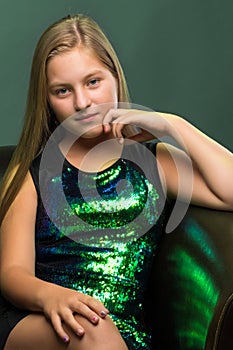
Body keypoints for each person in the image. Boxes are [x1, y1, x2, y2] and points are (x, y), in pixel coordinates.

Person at [0, 13, 232, 350]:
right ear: (47, 101)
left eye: (93, 82)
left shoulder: (155, 163)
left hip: (122, 333)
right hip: (43, 322)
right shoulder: (32, 172)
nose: (82, 103)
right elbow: (12, 274)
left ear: (114, 77)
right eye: (63, 91)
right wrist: (51, 297)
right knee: (92, 329)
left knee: (101, 331)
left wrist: (174, 125)